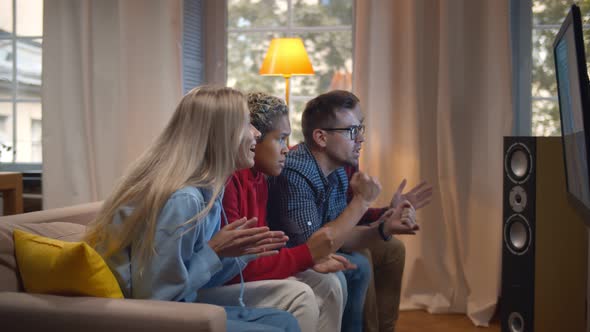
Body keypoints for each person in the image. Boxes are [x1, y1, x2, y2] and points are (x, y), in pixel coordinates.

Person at [84, 86, 310, 332]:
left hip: (181, 304)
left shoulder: (211, 189)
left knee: (285, 321)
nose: (256, 133)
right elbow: (158, 297)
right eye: (247, 124)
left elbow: (197, 279)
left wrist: (240, 254)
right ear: (222, 134)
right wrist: (214, 251)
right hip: (151, 318)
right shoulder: (185, 200)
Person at [268, 90, 432, 332]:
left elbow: (344, 226)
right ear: (321, 138)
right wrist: (363, 202)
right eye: (352, 131)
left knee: (391, 247)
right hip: (295, 254)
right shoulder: (295, 174)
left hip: (324, 243)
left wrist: (386, 224)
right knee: (359, 262)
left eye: (361, 128)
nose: (361, 139)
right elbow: (314, 246)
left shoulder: (339, 167)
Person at [214, 92, 361, 332]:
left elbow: (261, 251)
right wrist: (306, 257)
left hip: (244, 273)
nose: (287, 150)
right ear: (254, 139)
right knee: (303, 294)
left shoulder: (261, 177)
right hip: (227, 280)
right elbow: (236, 266)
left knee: (331, 282)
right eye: (281, 139)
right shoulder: (232, 181)